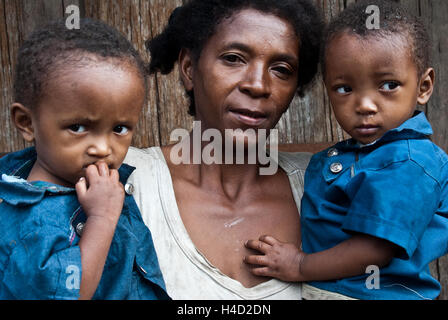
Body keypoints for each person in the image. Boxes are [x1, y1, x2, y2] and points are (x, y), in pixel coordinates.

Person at [244, 0, 448, 300]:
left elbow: (374, 250)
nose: (365, 105)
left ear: (423, 86)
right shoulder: (363, 152)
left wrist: (300, 265)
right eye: (344, 89)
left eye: (388, 85)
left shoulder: (409, 161)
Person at [124, 0, 323, 299]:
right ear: (189, 69)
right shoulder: (127, 180)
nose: (258, 85)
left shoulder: (325, 185)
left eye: (281, 69)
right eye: (233, 58)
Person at [0, 18, 169, 300]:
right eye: (78, 127)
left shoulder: (90, 185)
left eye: (119, 129)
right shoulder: (36, 225)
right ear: (27, 123)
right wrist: (102, 218)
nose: (103, 148)